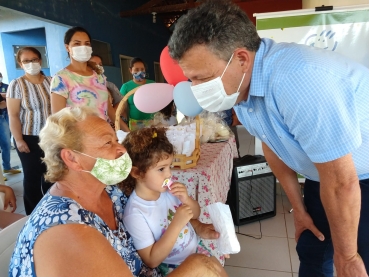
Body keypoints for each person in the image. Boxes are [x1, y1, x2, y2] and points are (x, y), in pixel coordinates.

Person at [168, 1, 369, 277]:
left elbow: (343, 183)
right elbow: (273, 147)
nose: (196, 90)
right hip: (324, 176)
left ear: (241, 59)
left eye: (202, 79)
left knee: (357, 262)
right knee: (312, 250)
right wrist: (298, 209)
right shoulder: (239, 87)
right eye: (191, 80)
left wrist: (347, 256)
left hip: (357, 178)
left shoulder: (299, 80)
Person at [8, 106, 227, 277]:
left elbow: (163, 216)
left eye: (115, 139)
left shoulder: (112, 191)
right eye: (107, 142)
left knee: (206, 265)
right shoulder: (66, 230)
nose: (121, 148)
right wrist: (195, 266)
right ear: (72, 158)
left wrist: (196, 226)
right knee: (203, 265)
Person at [121, 128, 216, 276]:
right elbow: (152, 260)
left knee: (216, 268)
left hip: (196, 249)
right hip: (173, 267)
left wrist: (187, 199)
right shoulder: (135, 213)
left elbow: (196, 214)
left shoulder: (169, 192)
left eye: (169, 166)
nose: (169, 174)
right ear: (136, 173)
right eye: (161, 169)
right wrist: (177, 223)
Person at [50, 26, 129, 132]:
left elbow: (109, 110)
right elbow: (58, 120)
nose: (83, 47)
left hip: (104, 135)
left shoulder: (99, 76)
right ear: (67, 47)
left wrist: (128, 132)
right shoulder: (61, 79)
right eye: (77, 43)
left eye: (87, 43)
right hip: (80, 140)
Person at [7, 47, 52, 215]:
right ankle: (33, 216)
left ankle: (51, 211)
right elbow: (13, 114)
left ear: (40, 61)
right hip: (29, 138)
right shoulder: (17, 84)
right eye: (26, 61)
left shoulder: (51, 81)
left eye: (34, 59)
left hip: (51, 137)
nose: (31, 63)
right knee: (32, 178)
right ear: (20, 64)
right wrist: (18, 140)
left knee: (52, 176)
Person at [119, 57, 155, 131]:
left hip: (153, 122)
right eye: (136, 69)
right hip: (135, 124)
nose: (140, 72)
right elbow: (121, 107)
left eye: (142, 69)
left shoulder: (152, 84)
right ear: (130, 70)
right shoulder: (126, 87)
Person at [0, 73, 21, 180]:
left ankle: (6, 167)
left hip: (4, 116)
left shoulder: (7, 86)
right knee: (5, 144)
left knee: (6, 144)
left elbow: (4, 103)